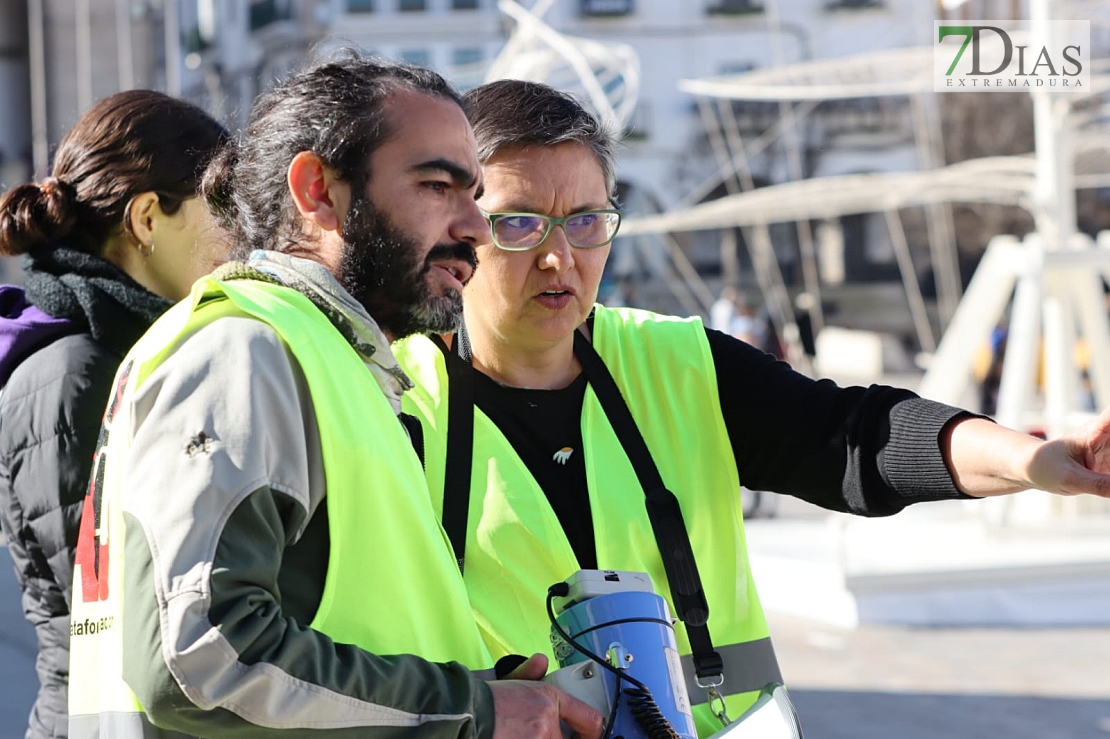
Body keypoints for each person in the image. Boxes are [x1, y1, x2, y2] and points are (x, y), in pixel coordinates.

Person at [392, 79, 1110, 737]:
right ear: (462, 228)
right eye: (520, 224)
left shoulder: (677, 363)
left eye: (586, 221)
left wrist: (1032, 460)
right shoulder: (393, 398)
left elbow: (858, 436)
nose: (559, 257)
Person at [67, 55, 602, 739]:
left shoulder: (321, 358)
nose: (474, 224)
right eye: (438, 185)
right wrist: (471, 709)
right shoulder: (247, 351)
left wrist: (477, 686)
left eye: (474, 192)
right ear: (318, 191)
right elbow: (197, 663)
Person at [0, 90, 228, 739]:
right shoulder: (77, 371)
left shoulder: (128, 347)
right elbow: (110, 615)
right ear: (149, 218)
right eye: (222, 211)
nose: (238, 239)